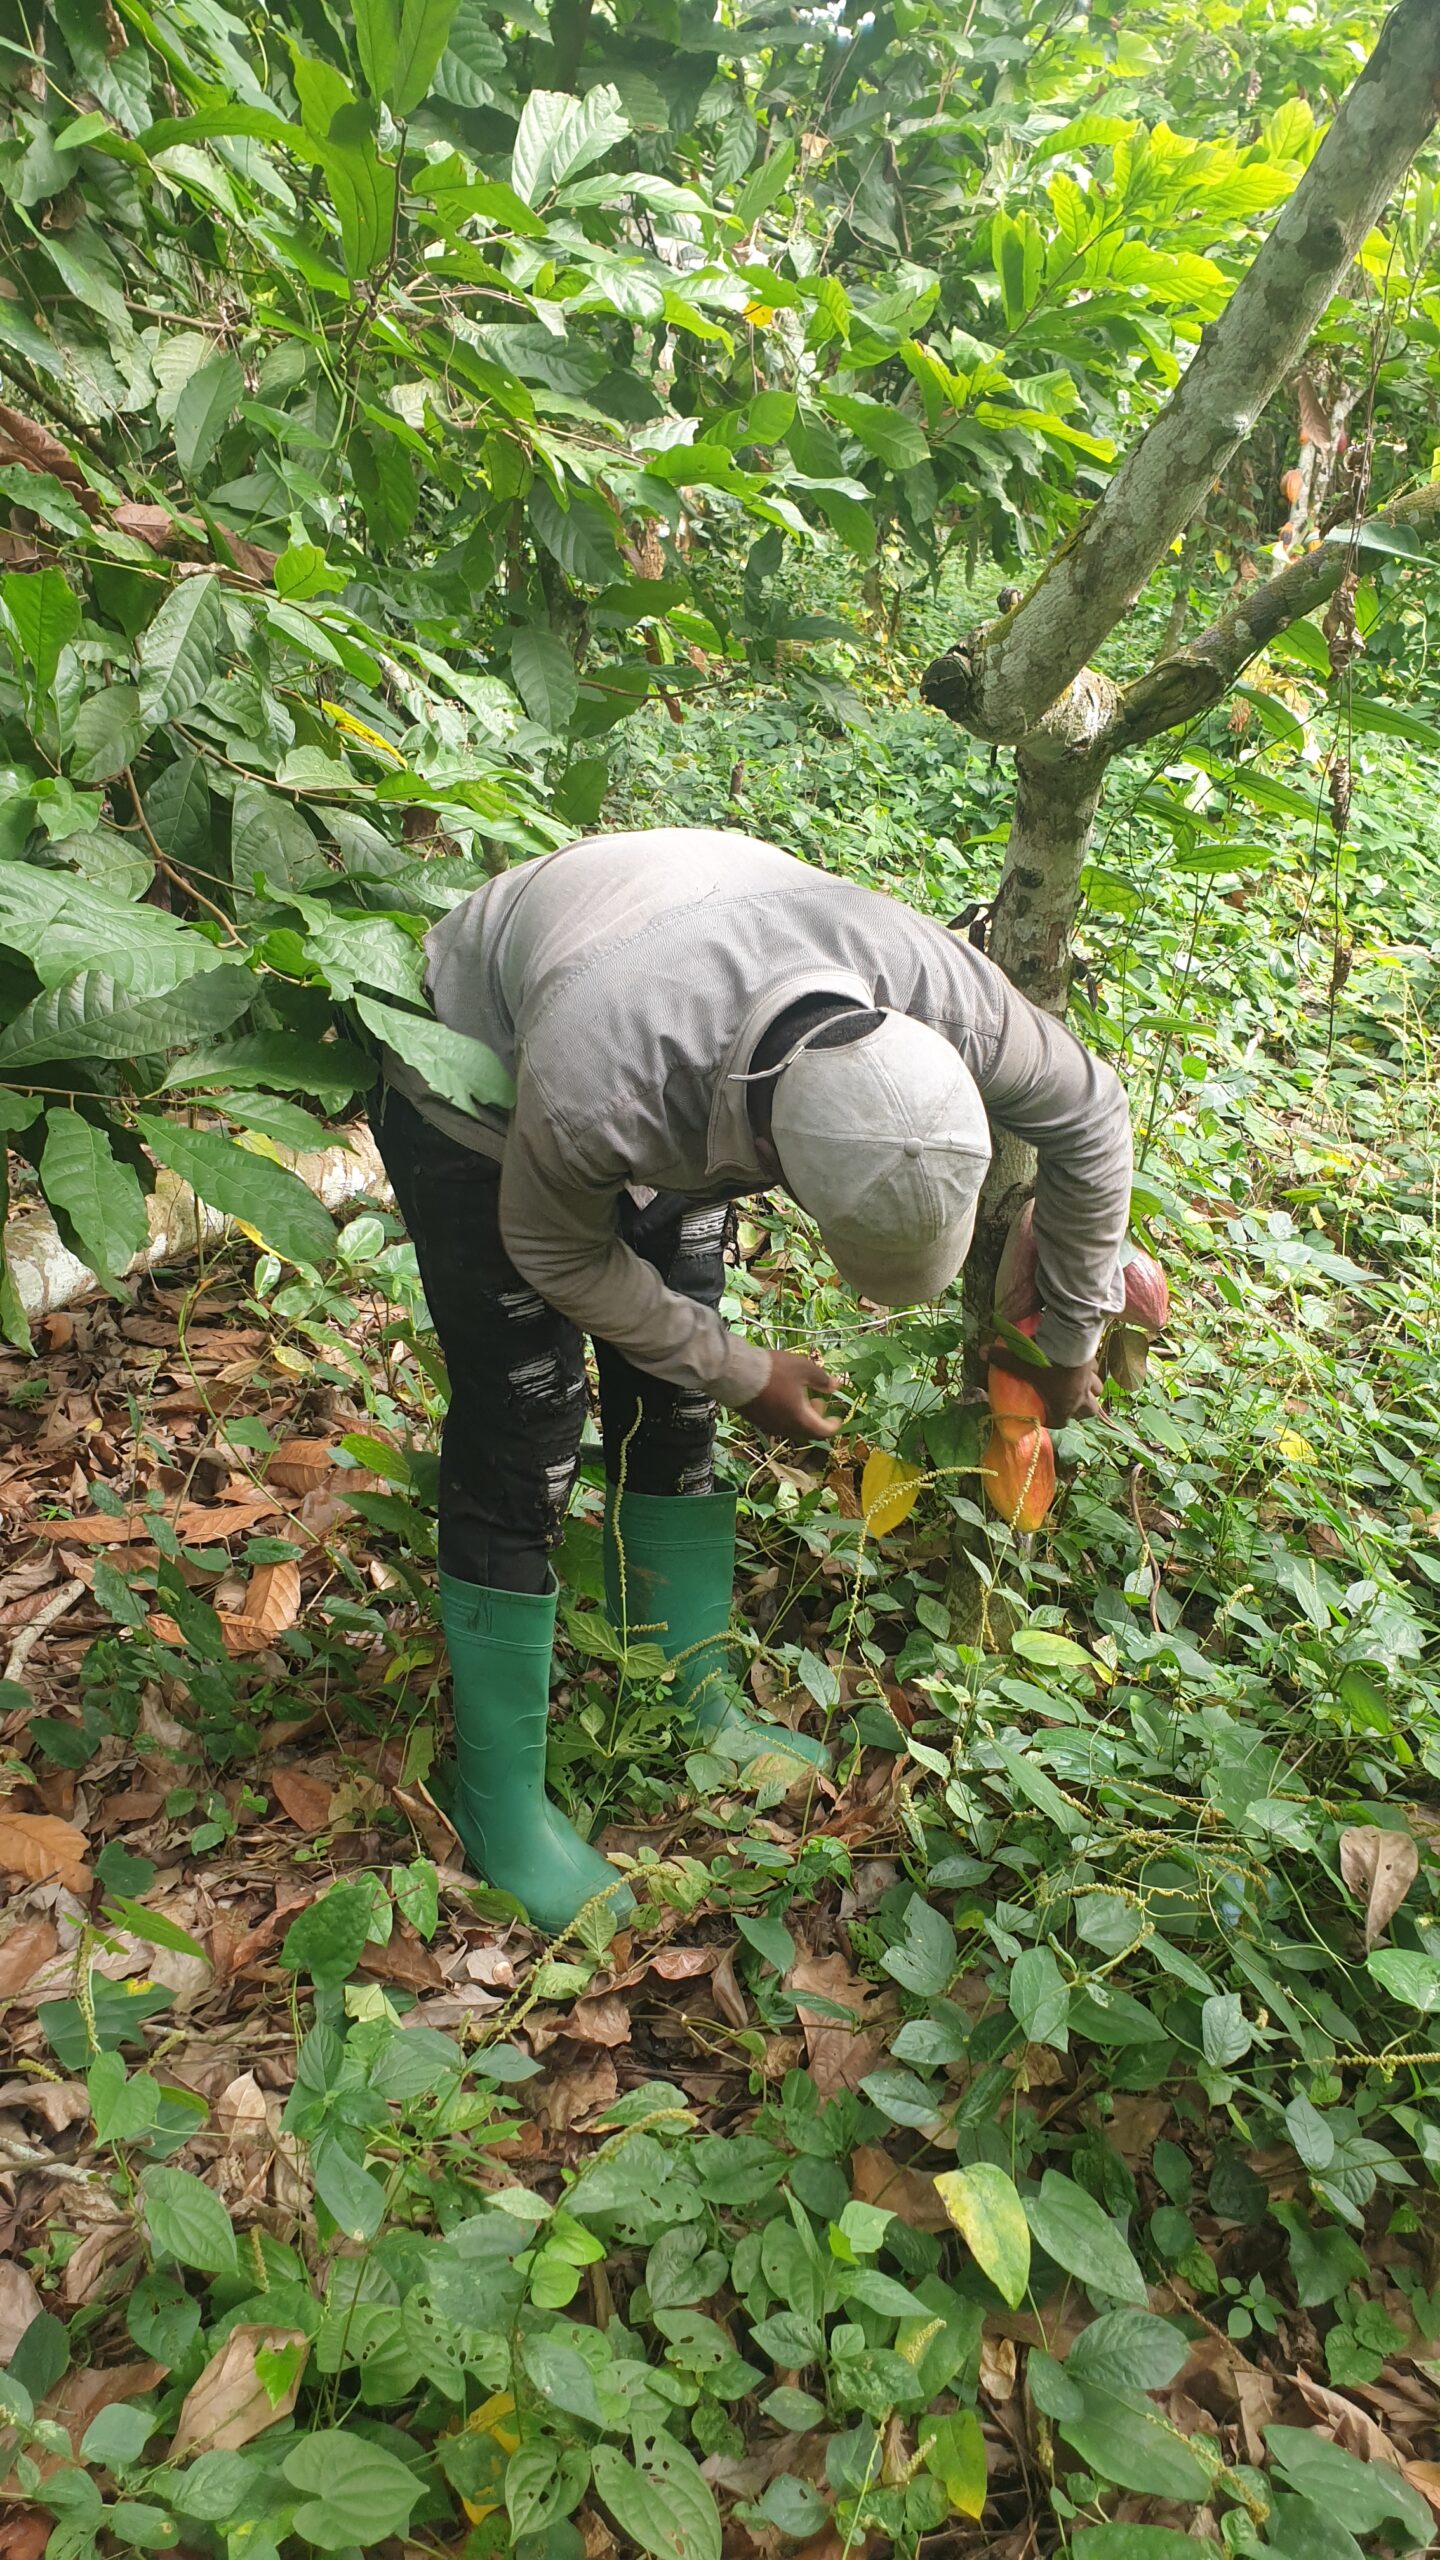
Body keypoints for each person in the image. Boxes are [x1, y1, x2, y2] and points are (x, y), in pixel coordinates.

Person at [369, 827, 1132, 1929]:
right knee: (529, 1420)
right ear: (772, 1160)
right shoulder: (603, 1083)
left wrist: (1071, 1340)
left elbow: (1093, 1113)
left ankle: (690, 1685)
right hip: (476, 1073)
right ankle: (501, 1805)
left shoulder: (938, 992)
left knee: (674, 1397)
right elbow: (555, 1251)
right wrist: (741, 1370)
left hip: (690, 1003)